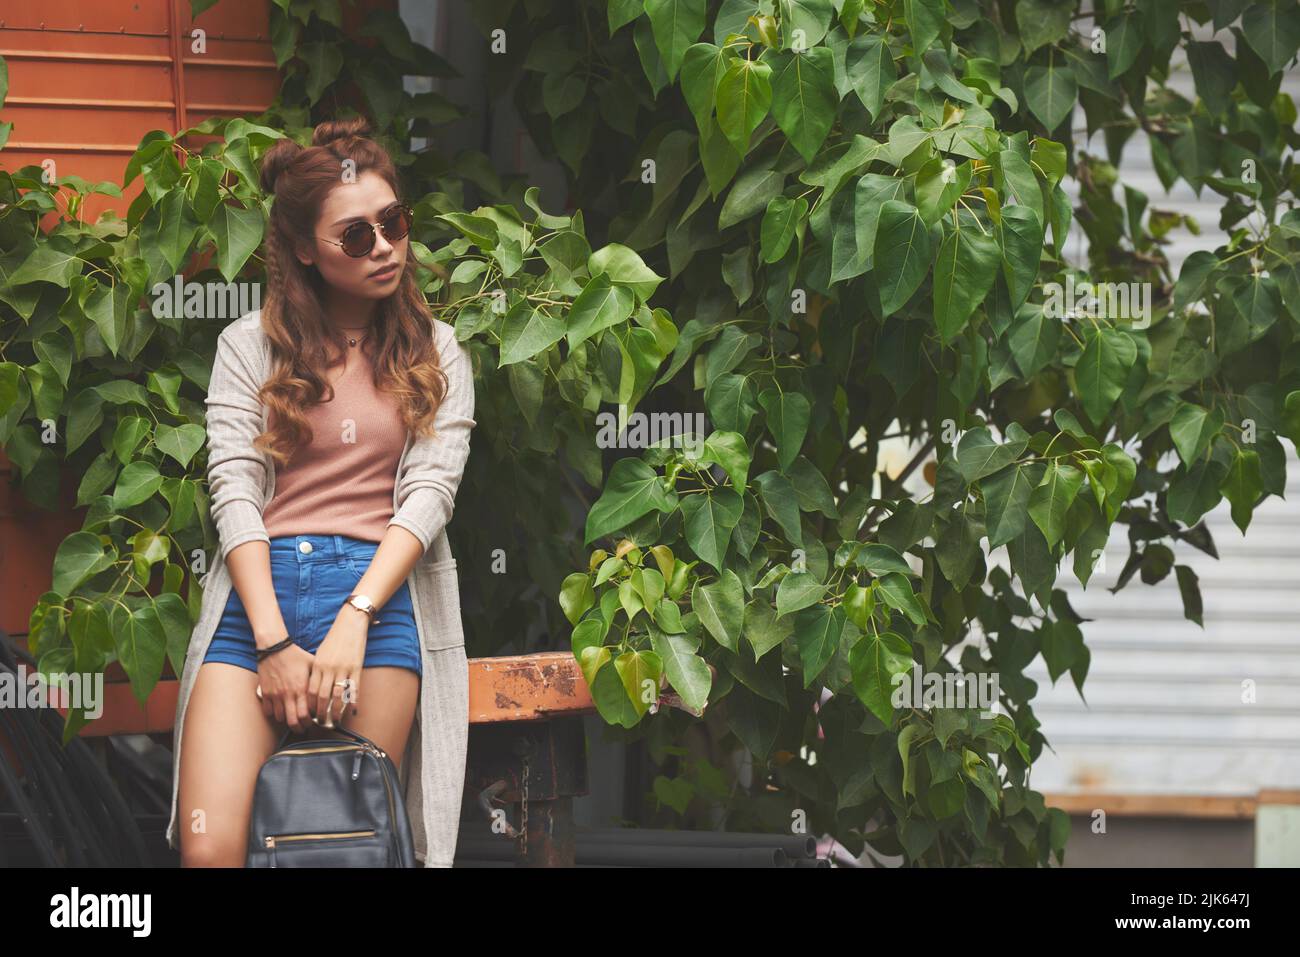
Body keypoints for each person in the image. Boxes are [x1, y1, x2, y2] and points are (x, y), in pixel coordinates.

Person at [171, 115, 476, 867]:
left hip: (373, 601)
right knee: (210, 846)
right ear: (305, 250)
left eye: (392, 223)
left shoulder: (437, 353)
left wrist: (356, 616)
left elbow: (429, 497)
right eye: (356, 236)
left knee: (345, 847)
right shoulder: (248, 346)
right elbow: (234, 489)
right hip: (258, 602)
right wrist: (273, 639)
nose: (385, 248)